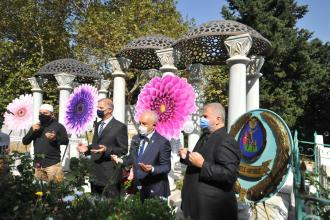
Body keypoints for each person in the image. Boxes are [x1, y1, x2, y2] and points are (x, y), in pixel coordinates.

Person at [179, 103, 240, 220]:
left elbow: (230, 174)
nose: (202, 119)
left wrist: (203, 165)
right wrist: (186, 156)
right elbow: (199, 160)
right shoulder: (205, 136)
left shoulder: (226, 141)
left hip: (211, 210)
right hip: (195, 206)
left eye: (205, 116)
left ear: (218, 119)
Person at [111, 110, 171, 201]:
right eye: (140, 123)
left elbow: (166, 167)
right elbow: (132, 157)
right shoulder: (136, 138)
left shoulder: (162, 142)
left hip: (155, 189)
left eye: (144, 124)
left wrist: (152, 169)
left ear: (154, 125)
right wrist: (121, 160)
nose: (140, 126)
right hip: (138, 187)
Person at [77, 98, 128, 197]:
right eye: (97, 107)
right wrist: (87, 148)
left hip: (109, 174)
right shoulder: (98, 124)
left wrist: (107, 150)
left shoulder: (119, 127)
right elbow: (97, 144)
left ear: (109, 110)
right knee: (96, 206)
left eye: (101, 108)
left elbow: (123, 149)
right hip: (95, 172)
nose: (98, 110)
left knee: (110, 207)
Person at [22, 104, 69, 182]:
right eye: (40, 113)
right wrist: (32, 131)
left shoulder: (58, 126)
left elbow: (65, 141)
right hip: (38, 164)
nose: (42, 115)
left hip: (52, 163)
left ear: (52, 114)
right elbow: (25, 142)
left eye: (45, 113)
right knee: (39, 190)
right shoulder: (36, 126)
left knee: (55, 190)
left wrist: (54, 138)